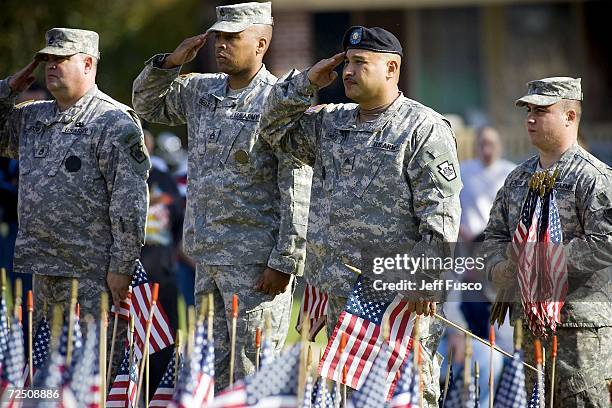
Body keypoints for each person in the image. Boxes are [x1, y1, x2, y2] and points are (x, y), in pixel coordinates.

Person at [260, 26, 462, 406]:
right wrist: (305, 83)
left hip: (396, 301)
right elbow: (271, 129)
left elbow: (441, 216)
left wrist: (425, 280)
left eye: (360, 63)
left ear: (391, 68)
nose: (348, 71)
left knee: (404, 395)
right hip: (338, 296)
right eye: (346, 62)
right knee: (347, 398)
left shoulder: (423, 129)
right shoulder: (331, 123)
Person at [132, 2, 312, 390]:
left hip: (256, 268)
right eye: (219, 36)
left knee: (252, 374)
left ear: (262, 43)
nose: (222, 44)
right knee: (208, 374)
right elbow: (146, 104)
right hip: (207, 260)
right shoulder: (200, 90)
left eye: (234, 37)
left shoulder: (278, 100)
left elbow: (296, 184)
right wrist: (170, 63)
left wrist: (285, 260)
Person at [0, 28, 150, 371]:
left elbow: (129, 201)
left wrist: (122, 266)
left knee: (94, 373)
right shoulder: (32, 116)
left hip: (93, 274)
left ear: (87, 63)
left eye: (61, 59)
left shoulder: (113, 120)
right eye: (47, 60)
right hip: (44, 268)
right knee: (48, 373)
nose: (51, 66)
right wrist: (10, 86)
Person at [482, 77, 612, 406]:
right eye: (528, 110)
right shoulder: (517, 179)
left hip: (579, 330)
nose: (530, 118)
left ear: (570, 116)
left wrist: (543, 262)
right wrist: (500, 268)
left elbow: (606, 242)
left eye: (541, 111)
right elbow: (494, 235)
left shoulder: (593, 178)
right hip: (529, 327)